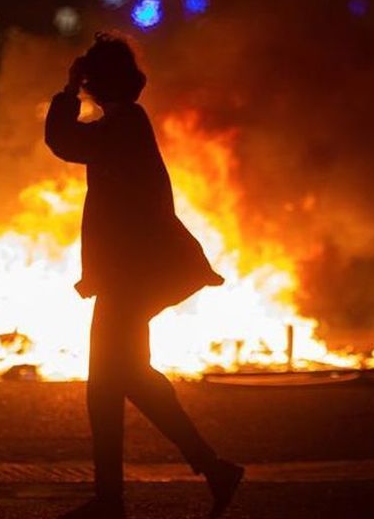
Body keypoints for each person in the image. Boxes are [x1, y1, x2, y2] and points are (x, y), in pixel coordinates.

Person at [45, 32, 244, 519]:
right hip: (130, 274)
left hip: (131, 276)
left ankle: (121, 497)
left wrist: (67, 91)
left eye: (90, 81)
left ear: (98, 83)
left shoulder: (124, 125)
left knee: (109, 382)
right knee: (124, 377)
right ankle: (209, 468)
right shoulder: (126, 122)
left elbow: (63, 141)